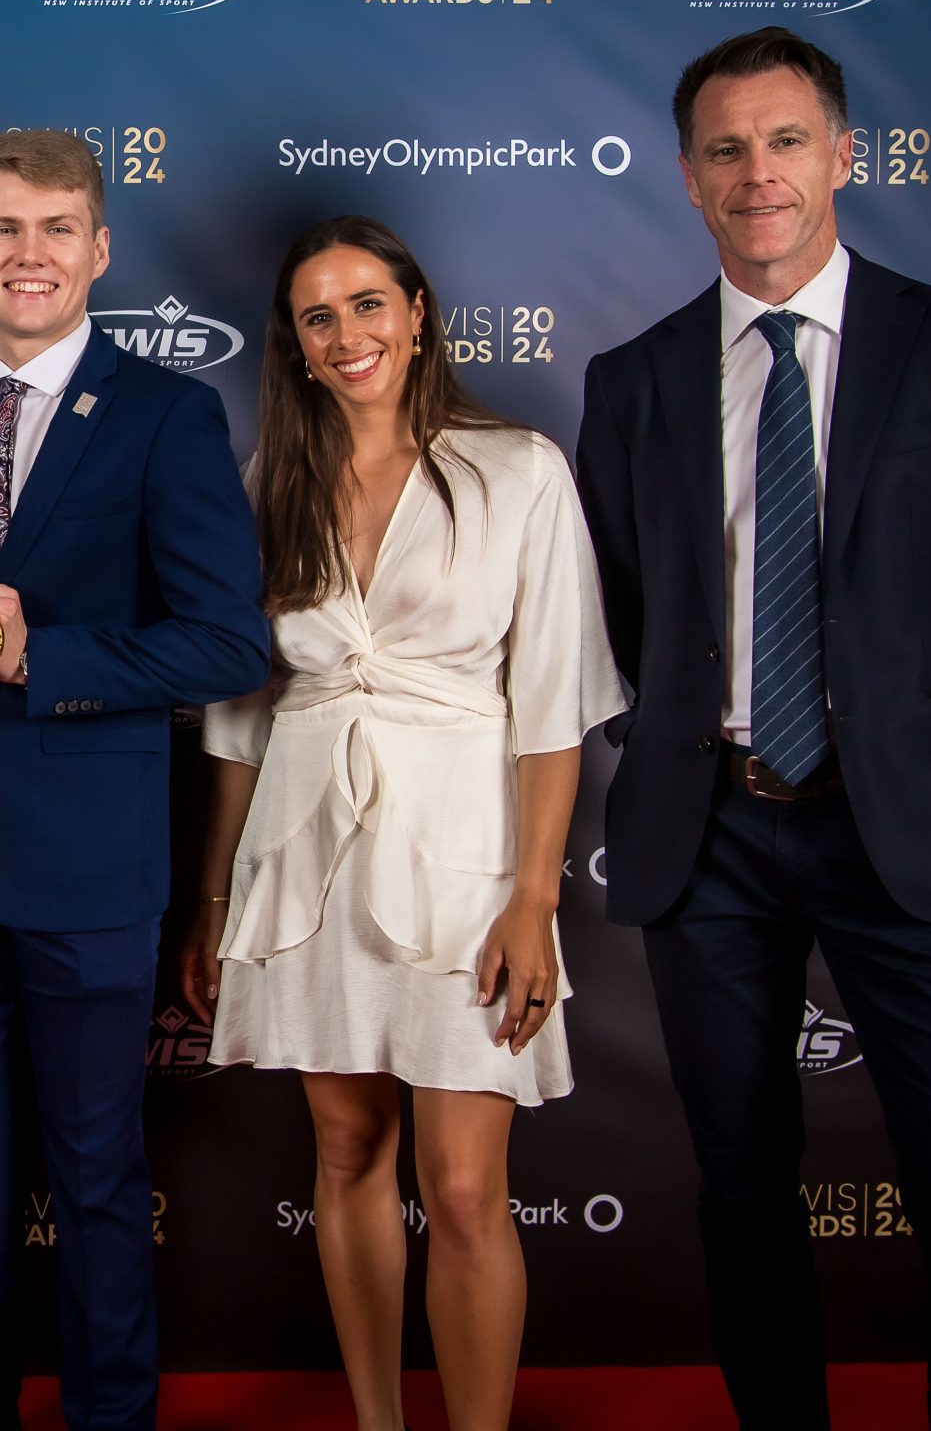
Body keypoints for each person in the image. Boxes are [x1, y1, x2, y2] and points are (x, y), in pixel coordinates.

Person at [576, 26, 931, 1429]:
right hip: (709, 834)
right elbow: (624, 603)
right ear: (686, 178)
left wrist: (902, 736)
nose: (759, 173)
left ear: (844, 156)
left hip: (896, 824)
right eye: (726, 148)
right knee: (741, 1190)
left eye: (786, 141)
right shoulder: (637, 378)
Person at [175, 215, 624, 1431]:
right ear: (297, 346)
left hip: (467, 860)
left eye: (368, 304)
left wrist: (533, 897)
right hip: (304, 851)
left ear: (418, 314)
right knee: (340, 1152)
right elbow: (236, 721)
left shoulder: (519, 469)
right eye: (319, 317)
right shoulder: (268, 482)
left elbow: (552, 706)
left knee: (469, 1188)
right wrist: (214, 898)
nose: (347, 333)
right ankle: (376, 1419)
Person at [0, 130, 268, 1431]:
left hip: (94, 864)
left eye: (57, 228)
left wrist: (46, 659)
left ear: (101, 248)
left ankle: (112, 1414)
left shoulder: (168, 415)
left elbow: (230, 641)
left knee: (99, 1170)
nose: (29, 253)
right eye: (4, 228)